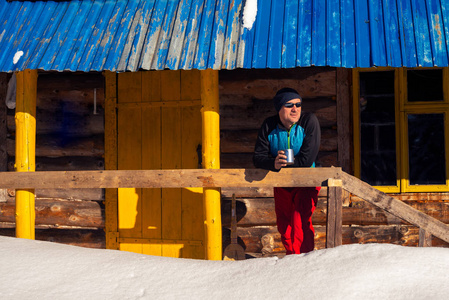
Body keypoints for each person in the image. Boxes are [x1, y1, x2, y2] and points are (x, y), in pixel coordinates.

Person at [253, 87, 321, 255]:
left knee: (300, 221)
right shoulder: (269, 125)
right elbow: (258, 158)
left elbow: (307, 159)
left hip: (307, 181)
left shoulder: (308, 121)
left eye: (298, 104)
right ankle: (291, 259)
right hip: (282, 182)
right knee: (284, 224)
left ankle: (303, 260)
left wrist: (283, 165)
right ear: (279, 108)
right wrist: (273, 163)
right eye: (289, 105)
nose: (295, 109)